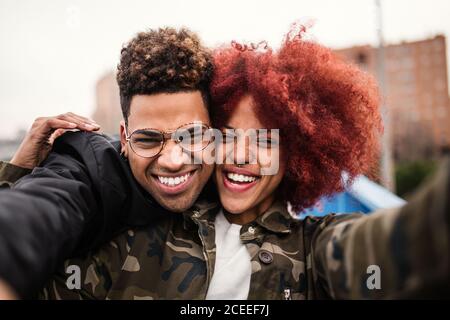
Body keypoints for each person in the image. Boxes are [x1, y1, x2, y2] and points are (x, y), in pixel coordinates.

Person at [1, 26, 449, 299]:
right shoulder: (132, 235)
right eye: (227, 136)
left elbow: (403, 245)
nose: (240, 154)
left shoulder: (315, 253)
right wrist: (14, 177)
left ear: (298, 153)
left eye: (264, 141)